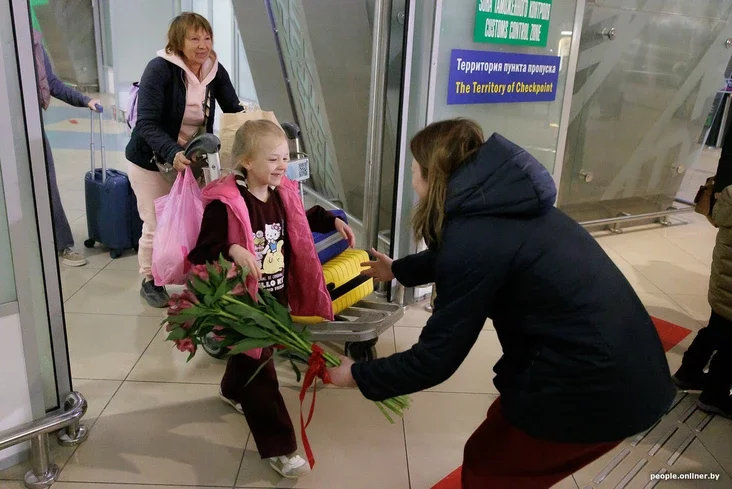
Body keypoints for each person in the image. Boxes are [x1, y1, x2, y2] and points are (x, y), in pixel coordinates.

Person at [327, 119, 676, 489]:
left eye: (414, 171)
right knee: (501, 433)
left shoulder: (475, 234)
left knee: (489, 470)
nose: (412, 181)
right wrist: (398, 269)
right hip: (625, 365)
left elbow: (435, 359)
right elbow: (475, 254)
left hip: (600, 388)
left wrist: (357, 376)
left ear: (434, 177)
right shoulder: (501, 199)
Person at [188, 119, 355, 479]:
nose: (283, 166)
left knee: (251, 357)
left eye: (286, 158)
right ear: (247, 161)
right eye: (274, 159)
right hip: (242, 304)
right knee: (261, 373)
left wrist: (331, 220)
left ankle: (232, 389)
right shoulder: (227, 204)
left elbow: (300, 218)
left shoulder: (281, 193)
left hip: (274, 296)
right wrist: (232, 249)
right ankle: (280, 447)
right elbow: (202, 251)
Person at [125, 12, 243, 308]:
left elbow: (233, 108)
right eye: (194, 38)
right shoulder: (160, 69)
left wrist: (255, 130)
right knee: (157, 223)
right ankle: (150, 280)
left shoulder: (214, 70)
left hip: (193, 158)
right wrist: (172, 152)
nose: (203, 45)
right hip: (151, 160)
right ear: (178, 42)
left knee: (197, 219)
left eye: (207, 38)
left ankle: (196, 275)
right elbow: (146, 123)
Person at [672, 116, 732, 418]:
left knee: (718, 325)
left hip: (724, 281)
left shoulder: (729, 196)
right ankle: (715, 395)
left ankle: (689, 372)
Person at [33, 29, 101, 267]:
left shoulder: (33, 41)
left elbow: (51, 83)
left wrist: (85, 100)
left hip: (31, 127)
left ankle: (61, 244)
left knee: (47, 184)